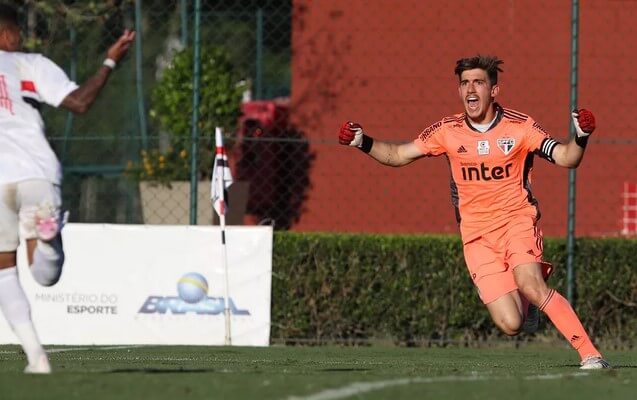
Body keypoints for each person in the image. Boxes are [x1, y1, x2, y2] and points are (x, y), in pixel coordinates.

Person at [338, 54, 610, 370]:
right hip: (477, 236)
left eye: (478, 82)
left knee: (531, 284)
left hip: (516, 221)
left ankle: (591, 354)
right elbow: (397, 155)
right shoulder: (447, 131)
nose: (471, 89)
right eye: (465, 83)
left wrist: (581, 136)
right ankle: (528, 303)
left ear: (494, 90)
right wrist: (362, 141)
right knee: (510, 324)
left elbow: (566, 158)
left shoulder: (520, 127)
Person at [0, 3, 135, 373]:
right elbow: (79, 102)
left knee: (3, 273)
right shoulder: (30, 63)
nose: (21, 38)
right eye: (16, 32)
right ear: (5, 34)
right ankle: (46, 241)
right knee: (46, 275)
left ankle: (36, 358)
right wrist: (109, 63)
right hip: (38, 173)